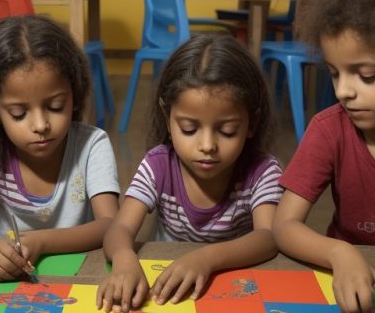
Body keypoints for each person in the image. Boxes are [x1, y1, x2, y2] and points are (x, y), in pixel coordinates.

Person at [98, 34, 283, 312]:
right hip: (164, 288)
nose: (207, 146)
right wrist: (124, 261)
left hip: (232, 288)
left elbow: (268, 237)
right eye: (189, 129)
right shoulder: (157, 165)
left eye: (227, 131)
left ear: (252, 122)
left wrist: (206, 258)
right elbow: (120, 228)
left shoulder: (262, 172)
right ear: (167, 116)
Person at [0, 15, 120, 282]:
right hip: (13, 282)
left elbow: (110, 225)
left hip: (82, 275)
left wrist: (40, 242)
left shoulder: (91, 145)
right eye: (19, 113)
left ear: (74, 96)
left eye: (55, 107)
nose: (41, 125)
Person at [274, 0, 375, 313]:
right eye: (334, 73)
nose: (343, 91)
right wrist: (339, 252)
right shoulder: (329, 129)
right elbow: (283, 226)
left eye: (365, 75)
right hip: (345, 277)